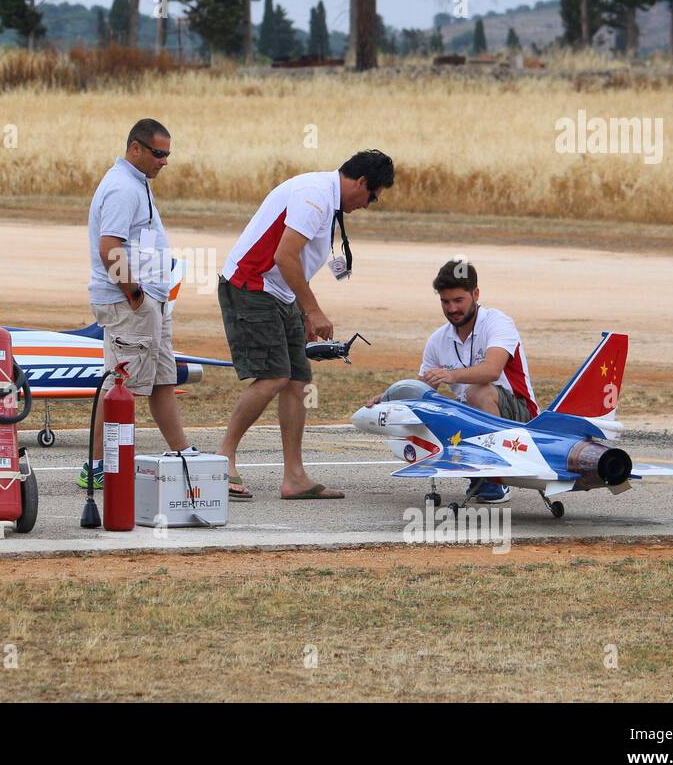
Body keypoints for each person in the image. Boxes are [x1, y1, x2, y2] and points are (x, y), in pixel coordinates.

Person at [215, 150, 395, 500]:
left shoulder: (326, 199)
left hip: (279, 294)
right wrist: (312, 310)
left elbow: (291, 261)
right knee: (273, 377)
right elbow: (284, 255)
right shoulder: (315, 195)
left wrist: (299, 311)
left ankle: (294, 477)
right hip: (251, 286)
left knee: (297, 380)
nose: (369, 204)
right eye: (372, 196)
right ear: (360, 182)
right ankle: (223, 457)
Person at [82, 118, 197, 488]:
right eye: (158, 154)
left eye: (167, 155)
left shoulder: (137, 183)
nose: (164, 161)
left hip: (152, 304)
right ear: (136, 149)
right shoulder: (122, 188)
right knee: (122, 386)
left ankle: (183, 453)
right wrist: (135, 297)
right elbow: (109, 247)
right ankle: (98, 467)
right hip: (130, 305)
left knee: (162, 381)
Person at [408, 259, 538, 504]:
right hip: (471, 415)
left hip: (521, 418)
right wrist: (387, 399)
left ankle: (496, 479)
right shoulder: (438, 339)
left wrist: (452, 375)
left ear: (475, 294)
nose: (452, 309)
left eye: (458, 300)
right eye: (445, 302)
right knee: (430, 407)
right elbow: (420, 390)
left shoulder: (498, 323)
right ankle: (474, 472)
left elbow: (491, 371)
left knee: (478, 391)